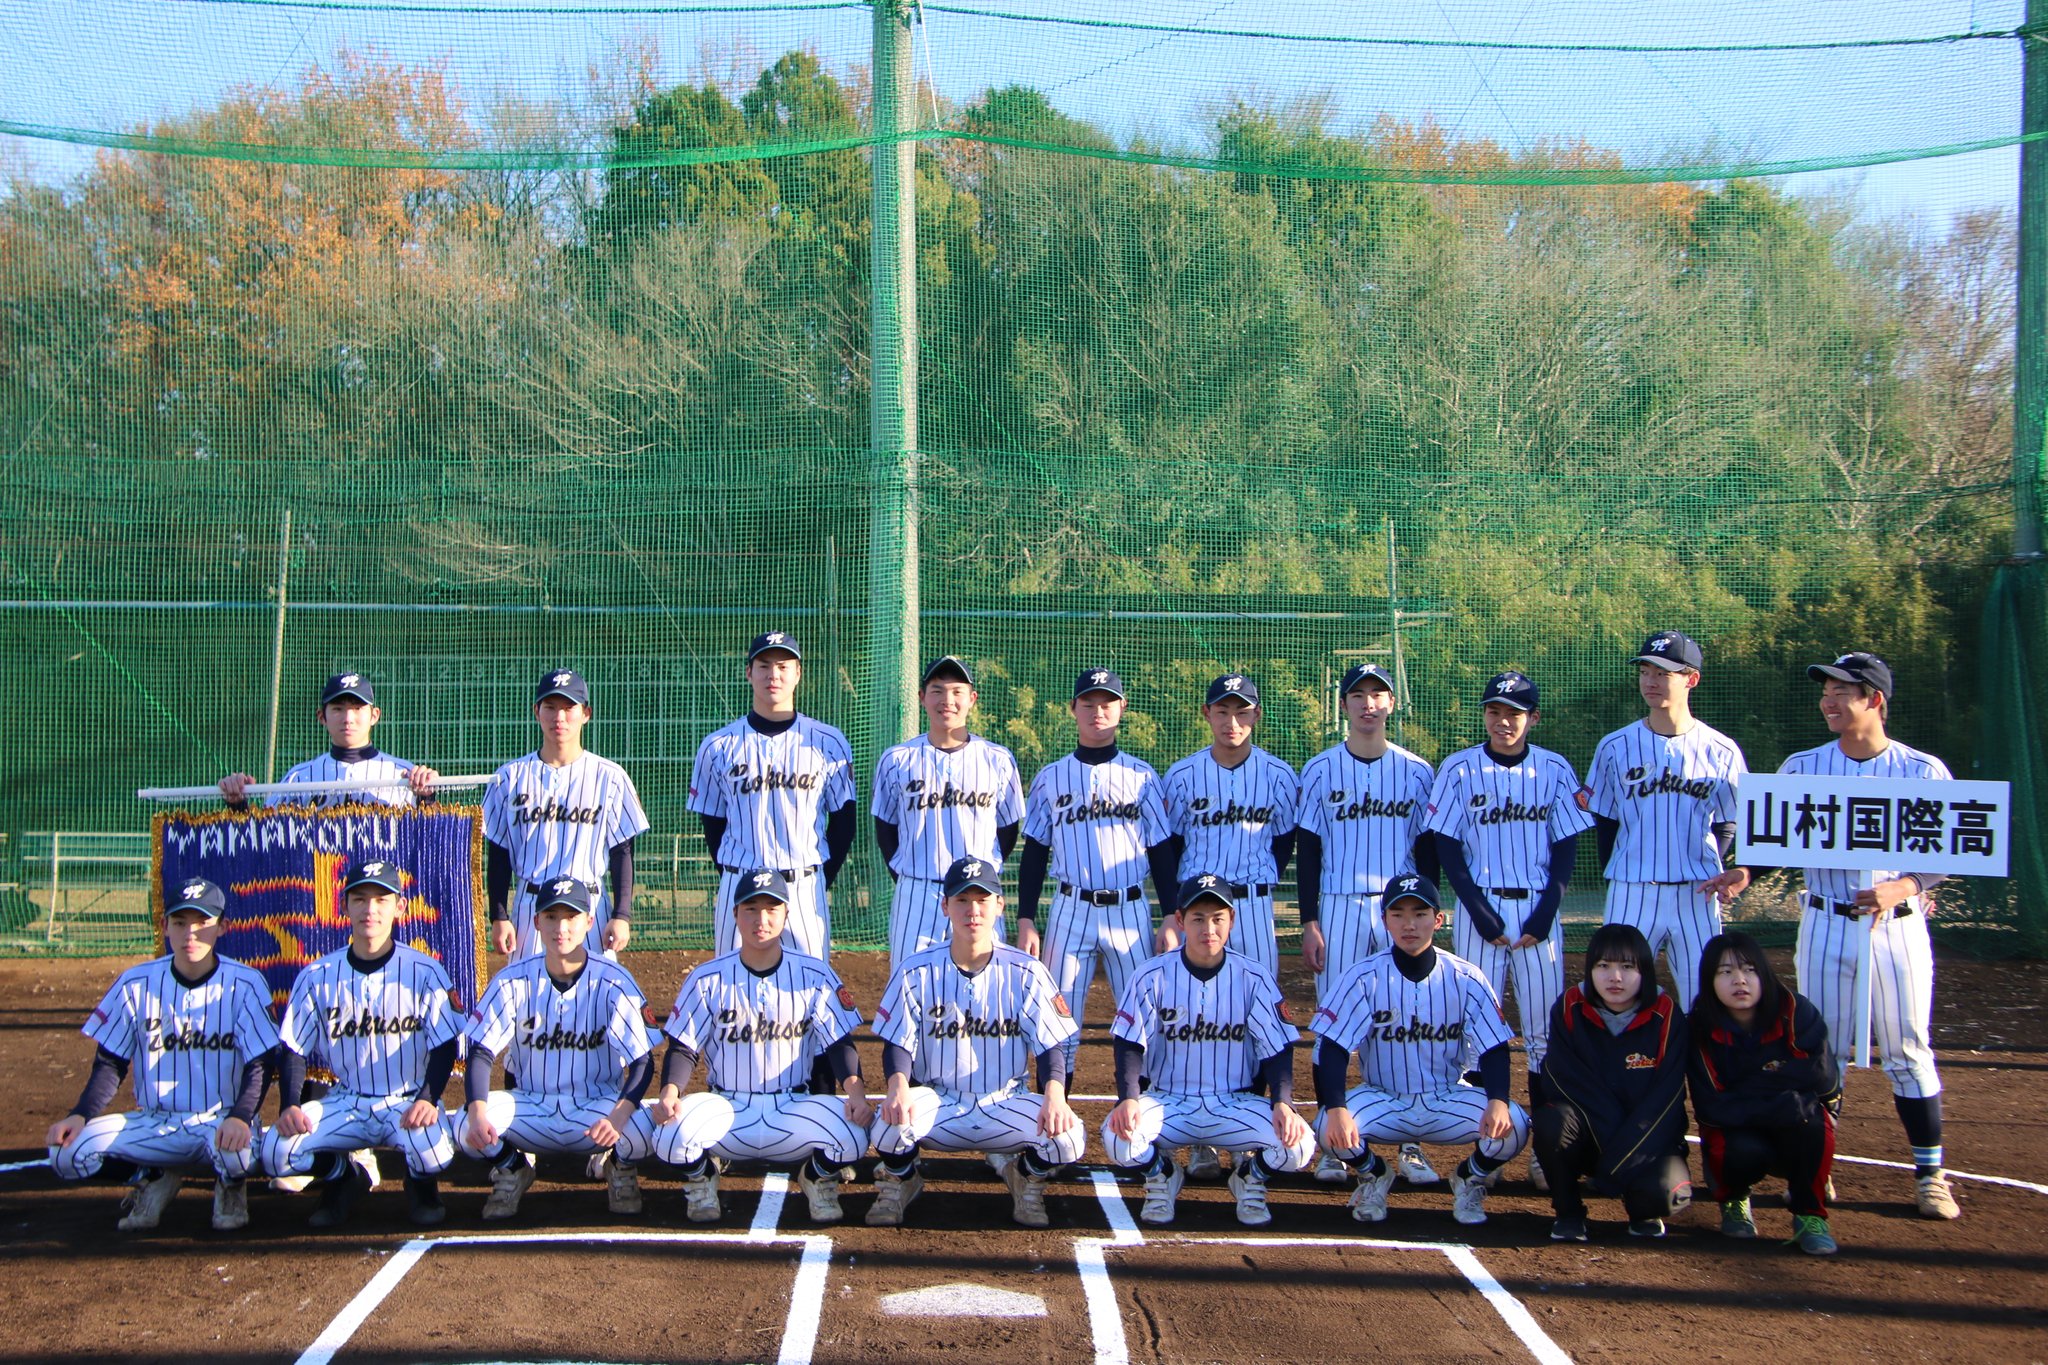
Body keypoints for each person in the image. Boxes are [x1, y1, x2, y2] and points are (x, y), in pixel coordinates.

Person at [1779, 652, 1959, 1221]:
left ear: (1874, 700)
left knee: (1907, 1049)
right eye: (1826, 691)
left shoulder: (1921, 771)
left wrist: (1906, 884)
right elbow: (1771, 833)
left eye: (1842, 691)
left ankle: (1930, 1176)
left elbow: (1951, 846)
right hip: (1824, 921)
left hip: (1896, 928)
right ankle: (1817, 1168)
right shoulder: (1801, 768)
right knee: (1820, 1050)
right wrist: (1744, 872)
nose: (1828, 701)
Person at [1423, 670, 1593, 1192]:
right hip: (1482, 908)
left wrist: (1547, 911)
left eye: (1515, 713)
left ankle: (1545, 1152)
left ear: (1533, 718)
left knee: (1543, 1036)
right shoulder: (1459, 768)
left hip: (1539, 909)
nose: (1503, 721)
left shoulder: (1554, 769)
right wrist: (1476, 908)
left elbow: (1565, 846)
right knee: (1478, 1035)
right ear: (1485, 715)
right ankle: (1487, 1150)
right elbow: (1446, 845)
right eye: (1495, 711)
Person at [45, 877, 279, 1231]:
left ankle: (230, 1187)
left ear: (223, 927)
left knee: (238, 1154)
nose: (190, 934)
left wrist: (242, 1116)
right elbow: (110, 1063)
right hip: (155, 1122)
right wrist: (80, 1114)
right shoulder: (136, 983)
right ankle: (152, 1177)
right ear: (164, 926)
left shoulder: (245, 983)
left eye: (202, 923)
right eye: (180, 923)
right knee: (65, 1153)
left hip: (219, 1121)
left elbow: (260, 1064)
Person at [645, 869, 872, 1225]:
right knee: (667, 1135)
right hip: (727, 1108)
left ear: (786, 914)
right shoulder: (707, 978)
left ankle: (816, 1177)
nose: (761, 919)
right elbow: (684, 1048)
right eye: (751, 909)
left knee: (856, 1135)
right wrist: (670, 1092)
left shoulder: (815, 974)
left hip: (793, 1106)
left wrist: (855, 1092)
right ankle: (703, 1177)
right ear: (735, 914)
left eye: (771, 909)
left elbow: (838, 1043)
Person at [867, 855, 1083, 1227]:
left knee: (1069, 1137)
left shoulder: (1026, 971)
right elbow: (897, 1043)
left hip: (1006, 1101)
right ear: (945, 906)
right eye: (963, 900)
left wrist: (1054, 1094)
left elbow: (1051, 1045)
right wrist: (898, 1086)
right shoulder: (916, 969)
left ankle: (1024, 1177)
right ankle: (902, 1180)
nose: (973, 910)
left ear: (1000, 905)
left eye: (982, 900)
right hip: (940, 1102)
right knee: (885, 1127)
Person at [1311, 873, 1530, 1227]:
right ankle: (1375, 1174)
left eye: (1420, 913)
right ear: (1385, 920)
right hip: (1383, 1097)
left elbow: (1494, 1048)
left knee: (1515, 1124)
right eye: (1398, 914)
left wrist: (1498, 1100)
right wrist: (1336, 1108)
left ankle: (1469, 1178)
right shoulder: (1362, 976)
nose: (1409, 924)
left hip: (1446, 1097)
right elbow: (1333, 1048)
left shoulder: (1466, 977)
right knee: (1326, 1126)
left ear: (1438, 920)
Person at [1295, 661, 1440, 1186]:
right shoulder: (1319, 769)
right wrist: (1309, 920)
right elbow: (1308, 850)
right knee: (1334, 1024)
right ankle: (1333, 1142)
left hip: (1401, 908)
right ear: (1344, 705)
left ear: (1391, 704)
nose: (1368, 704)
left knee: (1404, 1023)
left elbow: (1428, 851)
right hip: (1339, 905)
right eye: (1358, 695)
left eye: (1378, 694)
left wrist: (1426, 915)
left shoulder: (1417, 771)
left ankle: (1409, 1141)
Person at [1100, 875, 1315, 1227]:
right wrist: (1128, 1098)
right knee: (1115, 1137)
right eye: (1198, 918)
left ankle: (1248, 1177)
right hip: (1170, 1102)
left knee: (1299, 1144)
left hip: (1234, 1103)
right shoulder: (1151, 975)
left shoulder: (1254, 977)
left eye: (1217, 918)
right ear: (1180, 920)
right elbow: (1129, 1042)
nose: (1208, 929)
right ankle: (1162, 1173)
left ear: (1232, 920)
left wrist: (1283, 1102)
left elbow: (1277, 1048)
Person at [260, 857, 461, 1228]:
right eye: (360, 899)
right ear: (344, 906)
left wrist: (427, 1098)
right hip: (346, 1099)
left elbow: (445, 1044)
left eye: (382, 899)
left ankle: (420, 1183)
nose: (371, 909)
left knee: (435, 1152)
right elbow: (292, 1048)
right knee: (276, 1153)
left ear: (400, 907)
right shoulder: (318, 975)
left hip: (406, 1099)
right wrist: (290, 1104)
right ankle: (344, 1176)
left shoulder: (424, 971)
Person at [458, 879, 655, 1220]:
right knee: (464, 1125)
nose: (561, 928)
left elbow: (642, 1061)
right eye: (551, 917)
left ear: (589, 922)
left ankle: (619, 1167)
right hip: (531, 1106)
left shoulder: (614, 979)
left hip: (596, 1108)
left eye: (571, 917)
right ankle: (512, 1167)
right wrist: (477, 1112)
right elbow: (481, 1051)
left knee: (647, 1128)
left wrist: (618, 1116)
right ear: (536, 922)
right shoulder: (512, 980)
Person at [1016, 668, 1178, 1079]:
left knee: (1142, 1019)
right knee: (1059, 1022)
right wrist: (1026, 918)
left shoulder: (1142, 776)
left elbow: (1161, 851)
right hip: (1070, 908)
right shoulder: (1051, 778)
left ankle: (1142, 1111)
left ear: (1122, 708)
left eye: (1106, 703)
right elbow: (1035, 851)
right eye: (1088, 703)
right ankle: (1053, 1114)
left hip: (1130, 909)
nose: (1097, 711)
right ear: (1073, 708)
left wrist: (1171, 915)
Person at [1585, 631, 1749, 1010]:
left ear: (1692, 679)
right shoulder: (1615, 746)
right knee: (1617, 998)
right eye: (1645, 671)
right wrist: (1620, 871)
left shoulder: (1721, 749)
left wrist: (1715, 867)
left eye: (1663, 673)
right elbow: (1606, 821)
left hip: (1697, 891)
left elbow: (1727, 821)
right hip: (1632, 888)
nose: (1651, 681)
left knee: (1705, 998)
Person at [689, 631, 857, 959]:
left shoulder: (829, 742)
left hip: (803, 884)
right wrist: (733, 875)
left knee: (810, 983)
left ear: (798, 673)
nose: (773, 675)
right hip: (740, 882)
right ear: (749, 673)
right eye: (764, 666)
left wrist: (819, 879)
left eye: (783, 666)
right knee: (733, 982)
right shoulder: (718, 746)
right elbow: (712, 823)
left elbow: (843, 822)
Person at [1534, 923, 1692, 1241]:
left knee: (1663, 1194)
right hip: (1590, 1138)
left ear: (1644, 970)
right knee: (1552, 1121)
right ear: (1590, 969)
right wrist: (1612, 1149)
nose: (1615, 977)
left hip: (1646, 1142)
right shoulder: (1569, 1006)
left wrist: (1624, 1157)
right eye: (1603, 966)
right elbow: (1562, 1079)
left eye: (1627, 967)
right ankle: (1568, 1211)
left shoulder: (1667, 1014)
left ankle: (1642, 1210)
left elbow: (1667, 1097)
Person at [1689, 931, 1842, 1255]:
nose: (1739, 980)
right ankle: (1734, 1198)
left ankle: (1809, 1215)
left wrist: (1746, 1090)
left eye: (1749, 969)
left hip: (1791, 1119)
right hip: (1742, 1127)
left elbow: (1818, 1076)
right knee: (1732, 1144)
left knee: (1816, 1121)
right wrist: (1778, 1090)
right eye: (1725, 972)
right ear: (1709, 981)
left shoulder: (1796, 1010)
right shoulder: (1699, 1027)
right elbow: (1711, 1104)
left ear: (1764, 973)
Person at [482, 668, 649, 959]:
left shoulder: (609, 777)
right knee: (528, 988)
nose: (559, 717)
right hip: (532, 907)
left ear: (586, 713)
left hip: (589, 908)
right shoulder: (509, 777)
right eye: (550, 707)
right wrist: (498, 915)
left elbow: (622, 851)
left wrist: (622, 914)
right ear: (537, 711)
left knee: (594, 986)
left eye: (569, 707)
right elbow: (498, 852)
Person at [872, 656, 1025, 972]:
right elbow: (885, 828)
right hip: (918, 890)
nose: (947, 700)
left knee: (985, 982)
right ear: (922, 697)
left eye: (957, 691)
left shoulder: (998, 759)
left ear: (972, 698)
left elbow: (1008, 829)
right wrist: (909, 874)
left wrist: (982, 871)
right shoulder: (897, 760)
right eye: (937, 690)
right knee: (911, 983)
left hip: (979, 893)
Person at [1160, 672, 1298, 977]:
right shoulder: (1181, 775)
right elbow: (1172, 846)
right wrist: (1173, 908)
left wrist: (1260, 873)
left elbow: (1285, 840)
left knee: (1259, 992)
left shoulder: (1279, 775)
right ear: (1206, 713)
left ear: (1257, 714)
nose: (1231, 722)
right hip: (1197, 903)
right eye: (1222, 711)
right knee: (1192, 992)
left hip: (1253, 903)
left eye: (1242, 712)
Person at [219, 670, 439, 809]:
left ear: (374, 715)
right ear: (321, 716)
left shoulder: (405, 775)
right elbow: (264, 837)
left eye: (357, 708)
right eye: (338, 709)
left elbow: (429, 843)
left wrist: (427, 797)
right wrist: (237, 802)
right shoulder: (299, 778)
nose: (348, 718)